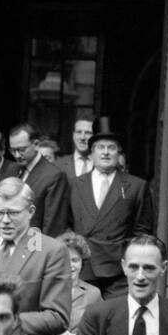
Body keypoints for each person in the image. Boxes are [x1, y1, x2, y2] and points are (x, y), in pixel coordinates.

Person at [0, 179, 70, 335]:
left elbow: (58, 316)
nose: (5, 220)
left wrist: (5, 321)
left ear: (31, 211)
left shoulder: (51, 250)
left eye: (13, 213)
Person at [67, 125, 155, 297]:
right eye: (100, 147)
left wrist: (129, 260)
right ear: (91, 154)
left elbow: (143, 231)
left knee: (116, 319)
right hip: (84, 267)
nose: (106, 152)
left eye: (111, 148)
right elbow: (66, 225)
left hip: (118, 271)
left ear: (119, 154)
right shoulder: (75, 184)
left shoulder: (136, 186)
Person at [8, 121, 70, 237]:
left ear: (36, 144)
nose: (16, 155)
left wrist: (39, 252)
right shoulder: (12, 170)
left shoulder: (54, 176)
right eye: (13, 150)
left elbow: (52, 226)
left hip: (34, 245)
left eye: (21, 150)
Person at [60, 116, 95, 180]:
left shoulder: (104, 165)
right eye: (79, 132)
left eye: (88, 133)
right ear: (73, 135)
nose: (82, 137)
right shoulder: (58, 165)